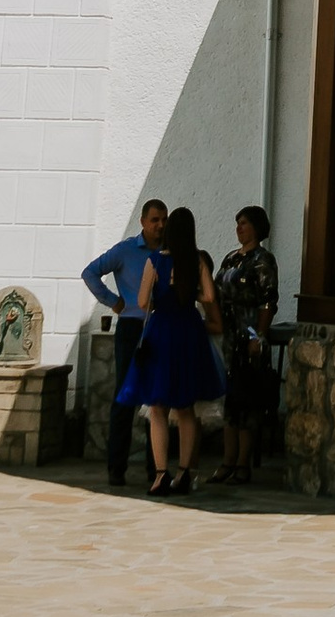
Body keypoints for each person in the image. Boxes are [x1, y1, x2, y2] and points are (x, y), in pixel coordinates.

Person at [116, 205, 223, 497]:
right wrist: (190, 294)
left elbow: (141, 301)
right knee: (186, 407)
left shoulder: (155, 261)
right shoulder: (198, 260)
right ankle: (185, 472)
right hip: (189, 331)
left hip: (161, 331)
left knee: (158, 406)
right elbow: (210, 296)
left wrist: (161, 301)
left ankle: (160, 474)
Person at [84, 199, 171, 488]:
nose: (160, 225)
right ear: (144, 222)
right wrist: (113, 302)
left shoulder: (169, 252)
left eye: (164, 220)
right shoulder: (125, 251)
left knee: (157, 399)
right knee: (125, 395)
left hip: (160, 327)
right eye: (155, 220)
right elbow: (90, 272)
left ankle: (155, 468)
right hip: (132, 326)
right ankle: (116, 468)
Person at [209, 206, 280, 488]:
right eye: (237, 223)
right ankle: (227, 460)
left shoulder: (263, 260)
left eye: (245, 223)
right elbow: (213, 292)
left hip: (248, 335)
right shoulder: (230, 260)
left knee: (248, 401)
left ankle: (243, 463)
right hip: (228, 337)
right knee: (230, 402)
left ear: (257, 227)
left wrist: (258, 336)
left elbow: (268, 300)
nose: (239, 228)